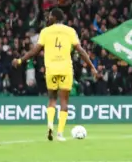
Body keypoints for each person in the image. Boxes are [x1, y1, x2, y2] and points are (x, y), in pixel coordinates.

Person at [14, 7, 99, 141]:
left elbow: (34, 51)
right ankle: (60, 133)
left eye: (50, 16)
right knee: (64, 101)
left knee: (52, 99)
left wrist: (20, 60)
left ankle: (50, 126)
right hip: (65, 69)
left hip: (51, 69)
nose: (48, 18)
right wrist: (92, 67)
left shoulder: (45, 32)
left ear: (54, 17)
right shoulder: (70, 31)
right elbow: (81, 51)